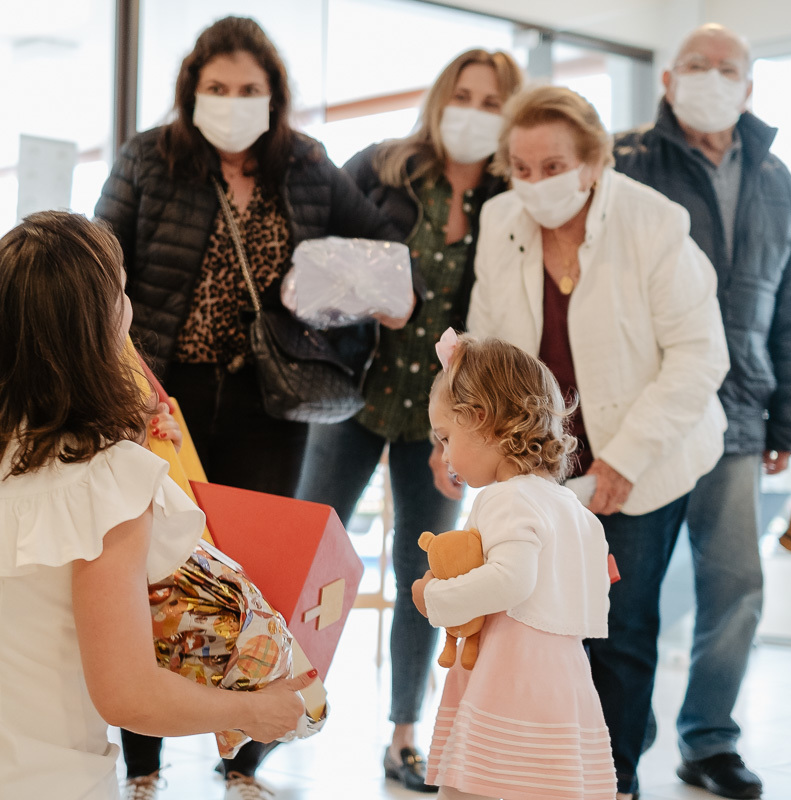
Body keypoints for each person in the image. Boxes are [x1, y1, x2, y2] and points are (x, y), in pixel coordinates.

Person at [0, 211, 314, 799]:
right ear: (95, 328)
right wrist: (249, 712)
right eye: (121, 291)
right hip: (33, 782)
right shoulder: (107, 482)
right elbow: (127, 695)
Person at [93, 16, 402, 800]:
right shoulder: (149, 158)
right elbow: (99, 265)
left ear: (275, 96)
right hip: (165, 399)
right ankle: (143, 760)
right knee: (157, 569)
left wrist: (342, 291)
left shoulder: (304, 165)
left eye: (249, 89)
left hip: (271, 400)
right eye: (217, 88)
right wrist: (117, 389)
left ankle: (246, 753)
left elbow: (382, 250)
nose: (232, 101)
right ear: (192, 91)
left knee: (259, 574)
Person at [465, 85, 730, 799]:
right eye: (519, 169)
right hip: (544, 467)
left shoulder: (654, 222)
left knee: (619, 626)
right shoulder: (501, 221)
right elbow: (486, 346)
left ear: (593, 161)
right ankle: (546, 774)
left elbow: (700, 357)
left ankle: (613, 782)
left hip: (645, 455)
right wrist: (459, 431)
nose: (534, 184)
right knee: (539, 624)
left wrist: (623, 460)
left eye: (553, 166)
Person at [293, 48, 522, 793]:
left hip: (444, 423)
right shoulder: (384, 168)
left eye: (493, 101)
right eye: (464, 94)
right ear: (439, 97)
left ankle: (404, 736)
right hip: (353, 398)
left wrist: (469, 432)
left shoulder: (508, 202)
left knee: (432, 575)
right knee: (310, 554)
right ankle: (263, 713)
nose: (474, 111)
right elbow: (317, 256)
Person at [613, 23, 791, 799]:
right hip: (647, 418)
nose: (711, 77)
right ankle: (616, 747)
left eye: (727, 68)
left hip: (739, 419)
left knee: (735, 589)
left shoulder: (776, 179)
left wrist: (789, 413)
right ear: (668, 80)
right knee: (626, 595)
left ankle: (709, 740)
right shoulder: (628, 160)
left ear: (749, 87)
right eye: (695, 65)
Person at [408, 332, 616, 800]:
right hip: (566, 679)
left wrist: (434, 598)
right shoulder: (571, 508)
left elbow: (511, 580)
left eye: (446, 438)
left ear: (481, 420)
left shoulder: (506, 496)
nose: (444, 456)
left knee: (472, 786)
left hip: (511, 673)